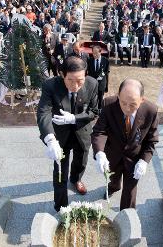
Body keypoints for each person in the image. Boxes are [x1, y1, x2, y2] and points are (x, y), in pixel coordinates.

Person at [37, 56, 99, 212]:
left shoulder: (92, 84)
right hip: (59, 137)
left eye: (80, 80)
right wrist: (50, 139)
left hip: (81, 132)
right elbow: (43, 113)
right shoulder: (50, 85)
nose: (76, 85)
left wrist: (74, 118)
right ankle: (61, 207)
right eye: (71, 80)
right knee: (59, 173)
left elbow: (94, 111)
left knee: (81, 162)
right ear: (62, 74)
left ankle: (76, 179)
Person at [91, 79, 159, 210]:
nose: (127, 108)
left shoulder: (151, 111)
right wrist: (99, 153)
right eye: (123, 103)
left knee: (130, 191)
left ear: (142, 100)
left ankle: (127, 217)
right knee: (114, 179)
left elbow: (152, 140)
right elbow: (99, 131)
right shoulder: (108, 104)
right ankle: (113, 187)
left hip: (134, 157)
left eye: (133, 104)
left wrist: (144, 161)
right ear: (118, 96)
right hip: (113, 153)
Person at [87, 45, 110, 110]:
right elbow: (88, 71)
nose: (94, 55)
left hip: (101, 82)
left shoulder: (105, 60)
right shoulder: (90, 60)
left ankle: (100, 109)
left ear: (100, 52)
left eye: (96, 53)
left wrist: (100, 76)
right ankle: (92, 109)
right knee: (92, 96)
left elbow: (106, 70)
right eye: (93, 53)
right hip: (92, 82)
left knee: (100, 96)